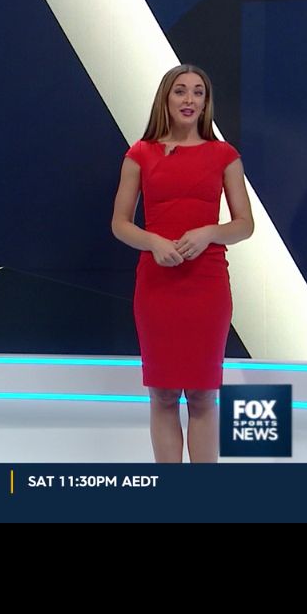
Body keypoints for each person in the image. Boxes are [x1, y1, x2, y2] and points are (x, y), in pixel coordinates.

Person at [111, 64, 254, 463]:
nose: (189, 99)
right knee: (163, 394)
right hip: (157, 286)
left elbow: (244, 225)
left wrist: (209, 232)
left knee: (203, 394)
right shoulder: (140, 154)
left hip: (207, 285)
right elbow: (120, 223)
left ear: (206, 103)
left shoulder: (225, 155)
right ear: (166, 98)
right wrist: (152, 241)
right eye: (180, 91)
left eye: (198, 92)